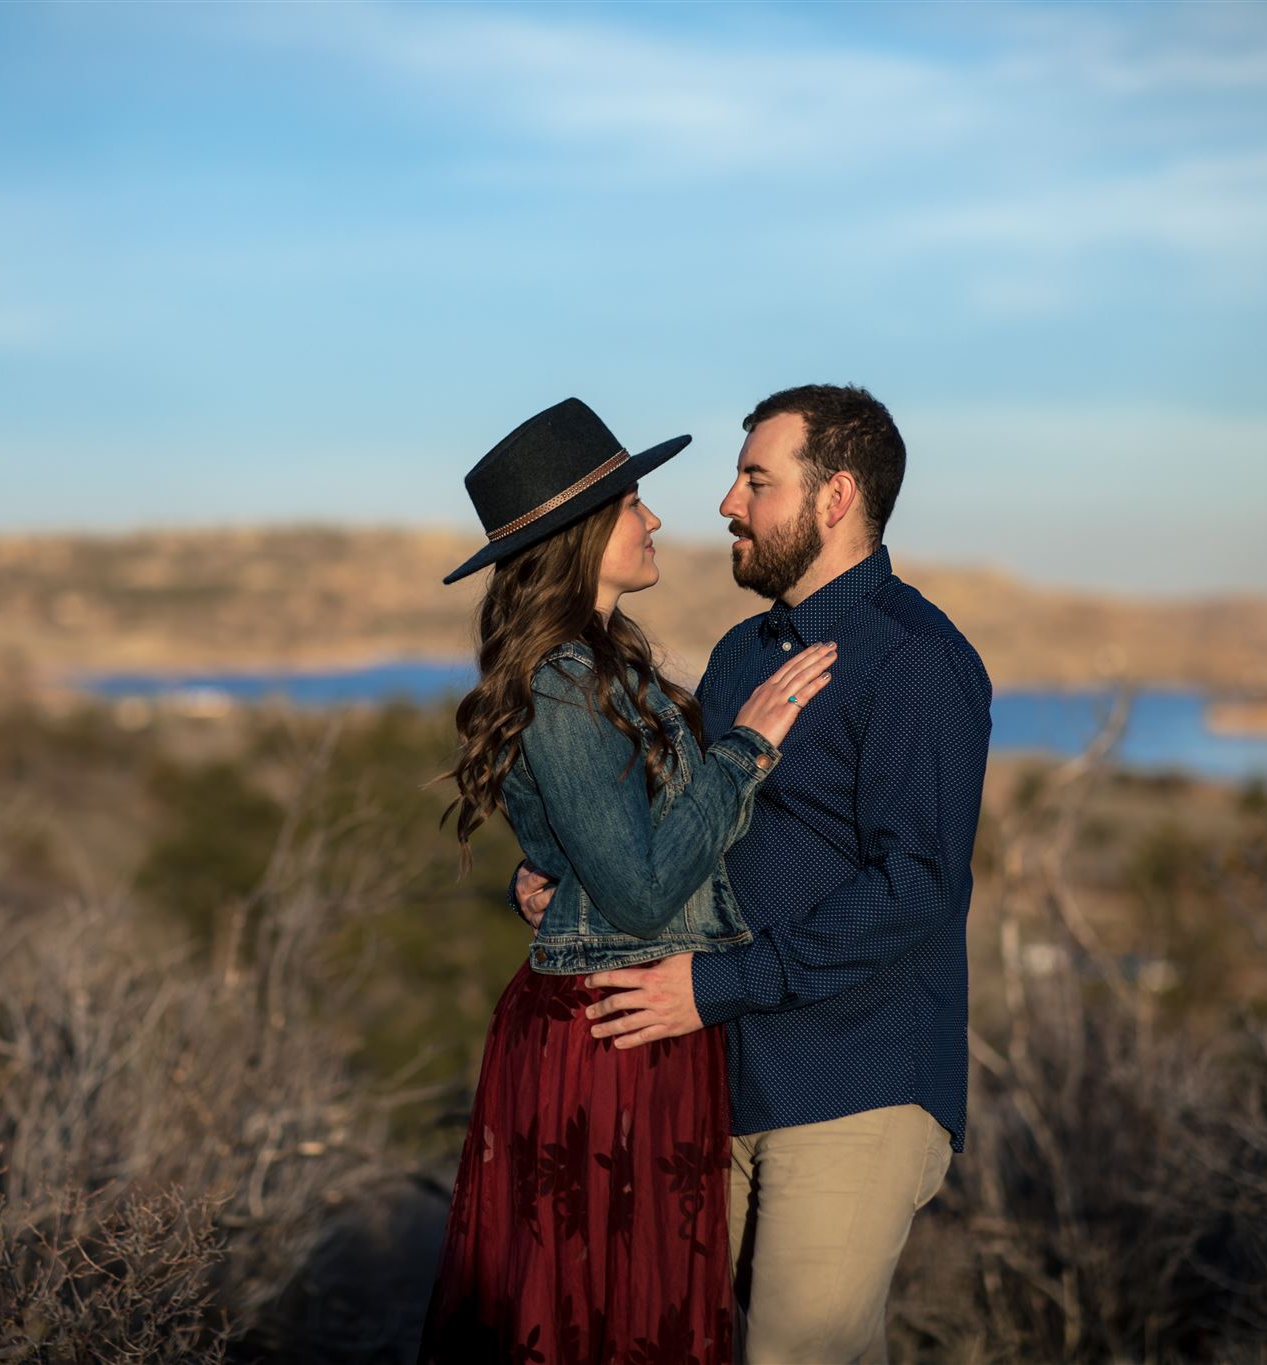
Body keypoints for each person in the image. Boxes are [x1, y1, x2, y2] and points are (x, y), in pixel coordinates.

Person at [516, 384, 992, 1364]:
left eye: (753, 481)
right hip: (718, 1079)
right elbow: (672, 839)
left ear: (833, 498)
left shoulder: (914, 660)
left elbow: (916, 884)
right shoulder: (739, 656)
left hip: (854, 1080)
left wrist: (715, 985)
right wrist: (548, 882)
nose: (726, 504)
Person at [416, 397, 837, 1365]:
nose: (653, 521)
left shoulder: (609, 668)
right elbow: (645, 892)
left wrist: (550, 878)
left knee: (628, 1310)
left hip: (637, 1022)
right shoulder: (565, 678)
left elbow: (607, 851)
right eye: (631, 504)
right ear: (576, 536)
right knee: (595, 1318)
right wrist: (747, 748)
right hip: (602, 1041)